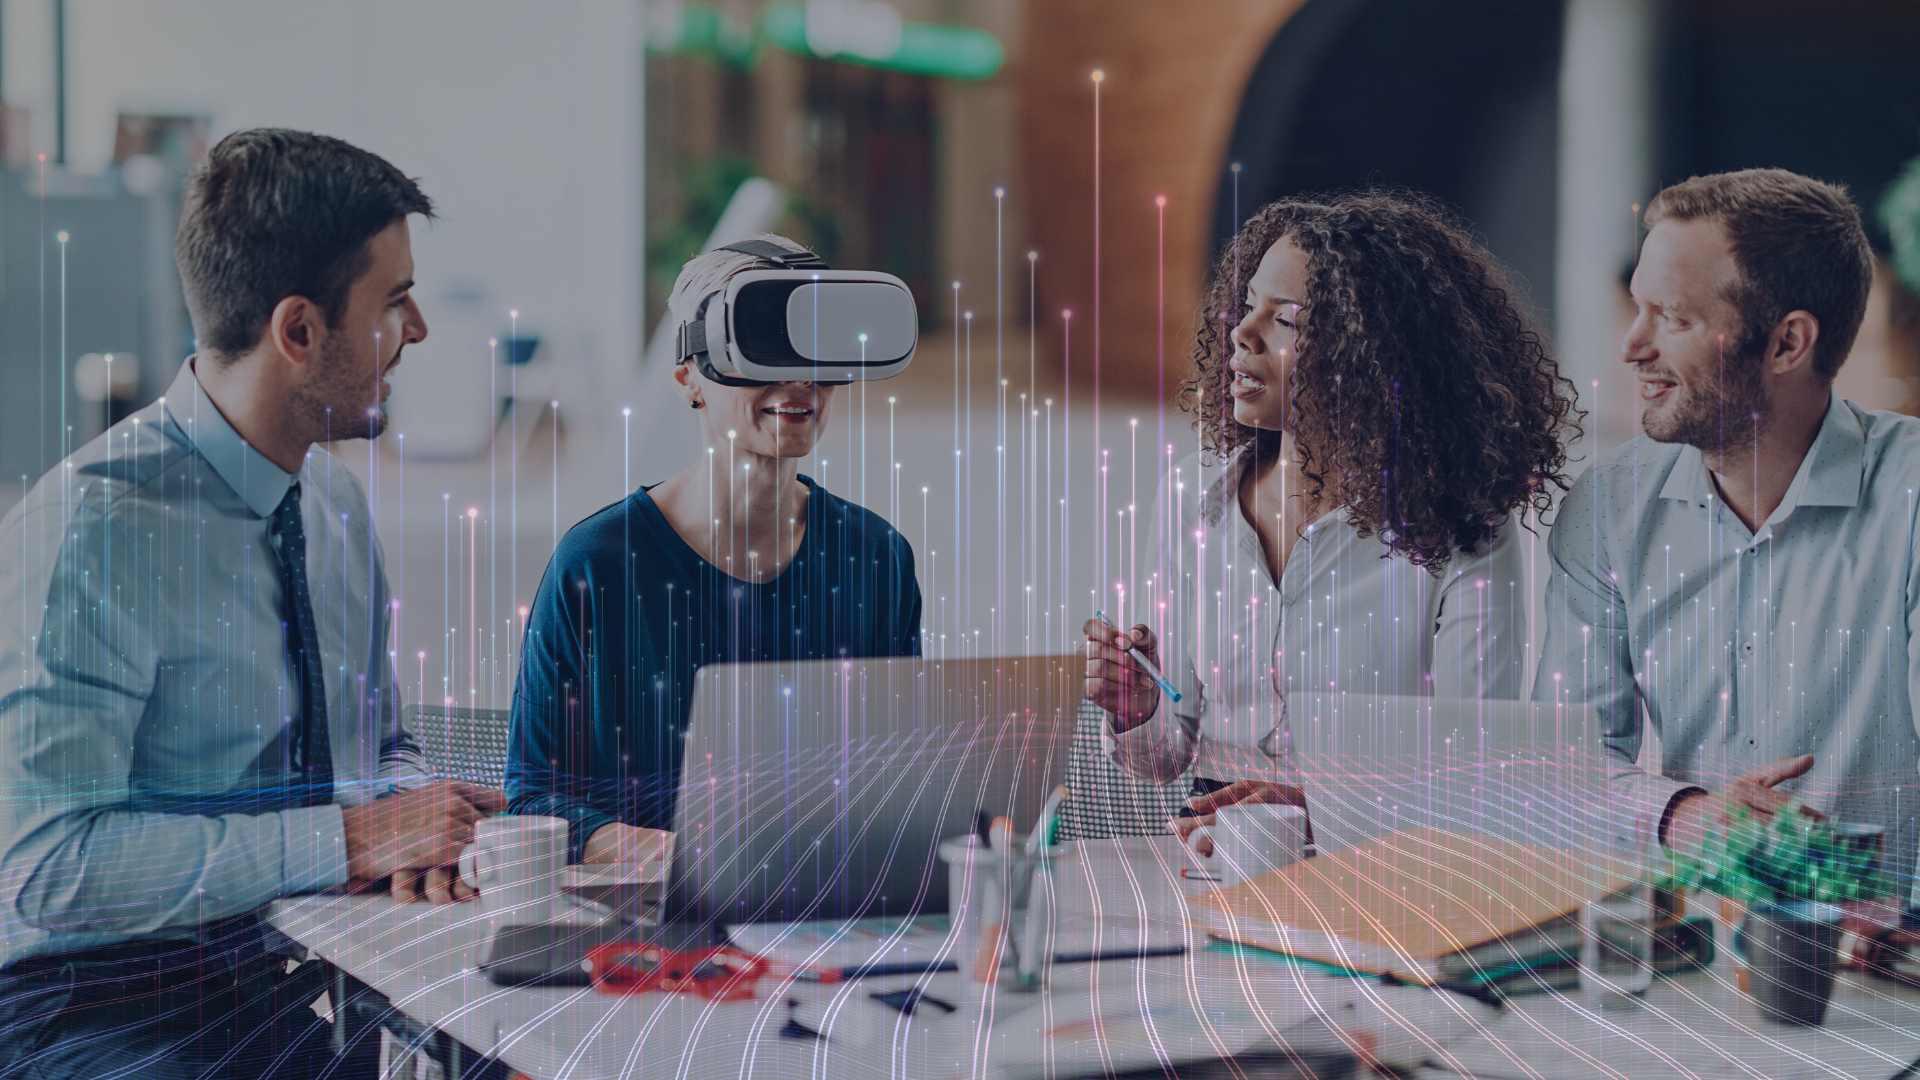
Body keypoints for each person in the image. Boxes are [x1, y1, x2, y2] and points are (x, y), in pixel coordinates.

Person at [0, 129, 502, 1077]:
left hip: (275, 987)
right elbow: (46, 869)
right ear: (299, 332)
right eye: (394, 301)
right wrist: (352, 838)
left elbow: (377, 742)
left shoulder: (332, 504)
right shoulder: (95, 531)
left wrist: (421, 811)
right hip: (86, 1011)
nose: (419, 330)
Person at [1083, 191, 1579, 851]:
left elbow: (1472, 771)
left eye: (1285, 319)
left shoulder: (1463, 530)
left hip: (1385, 864)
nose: (1242, 332)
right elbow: (1168, 757)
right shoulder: (1192, 500)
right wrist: (1137, 711)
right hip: (1214, 852)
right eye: (1248, 304)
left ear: (1374, 355)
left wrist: (1322, 808)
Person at [1536, 168, 1920, 888]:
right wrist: (1684, 816)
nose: (1632, 346)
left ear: (1786, 344)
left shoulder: (1911, 497)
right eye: (1640, 309)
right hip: (1692, 933)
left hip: (1890, 938)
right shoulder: (1609, 508)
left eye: (1673, 319)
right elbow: (1557, 764)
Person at [506, 235, 924, 866]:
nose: (800, 379)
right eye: (764, 346)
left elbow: (903, 777)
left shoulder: (876, 558)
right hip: (644, 913)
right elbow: (534, 801)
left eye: (818, 349)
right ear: (689, 380)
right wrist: (698, 860)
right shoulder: (596, 565)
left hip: (833, 905)